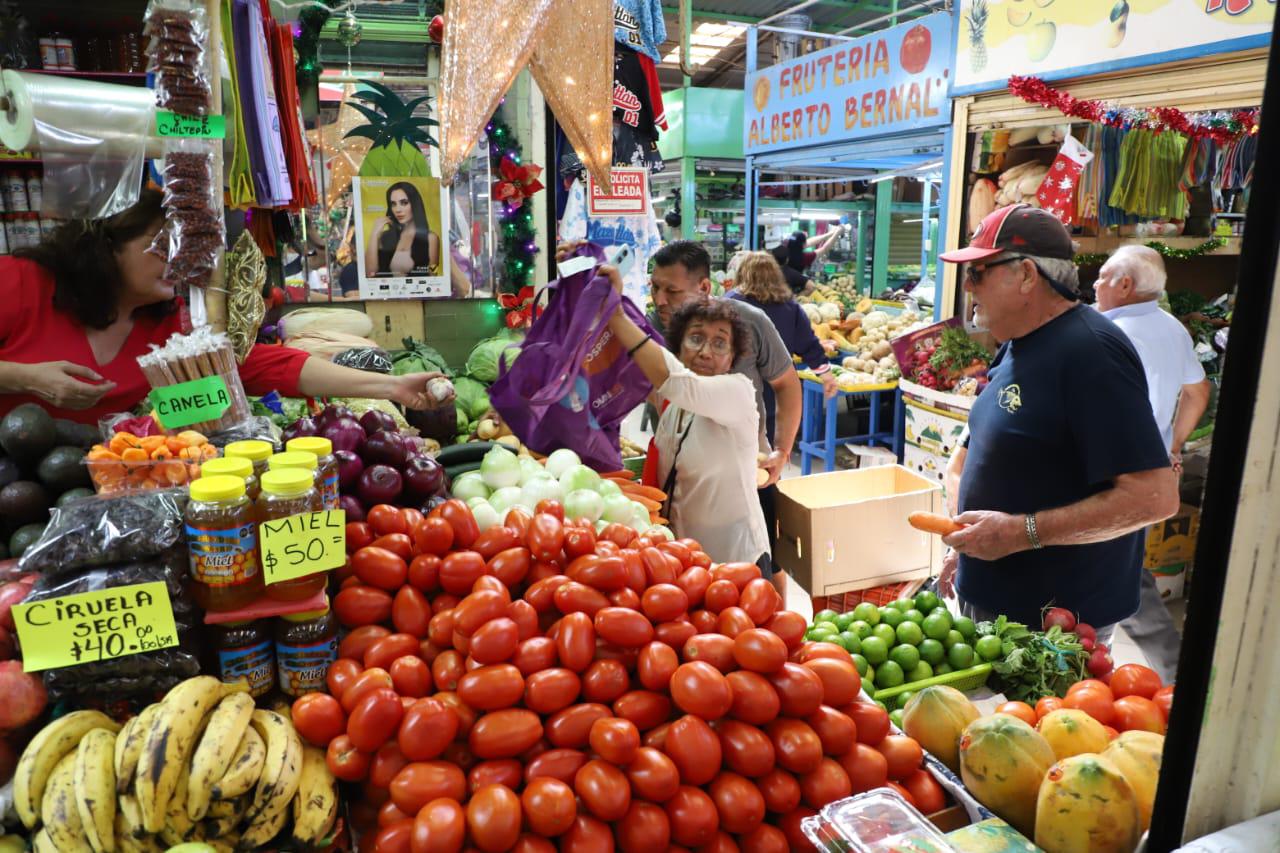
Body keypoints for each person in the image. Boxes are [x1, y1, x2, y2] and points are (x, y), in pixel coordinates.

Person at [935, 204, 1180, 643]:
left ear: (1027, 275)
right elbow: (982, 449)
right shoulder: (1017, 344)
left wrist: (1018, 533)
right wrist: (966, 544)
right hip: (993, 600)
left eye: (978, 273)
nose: (968, 286)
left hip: (1052, 627)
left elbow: (1154, 497)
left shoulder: (1092, 353)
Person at [0, 189, 451, 424]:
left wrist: (391, 386)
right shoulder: (21, 282)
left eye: (185, 247)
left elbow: (265, 366)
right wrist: (25, 378)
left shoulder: (173, 324)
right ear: (108, 245)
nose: (179, 260)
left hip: (99, 488)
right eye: (162, 244)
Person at [1095, 245, 1211, 680]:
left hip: (1108, 478)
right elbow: (1198, 391)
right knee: (1123, 571)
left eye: (1102, 276)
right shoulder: (1173, 329)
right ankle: (1171, 672)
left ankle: (1173, 674)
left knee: (1115, 576)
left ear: (1125, 285)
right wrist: (1173, 446)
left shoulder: (1103, 332)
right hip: (1151, 475)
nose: (1095, 284)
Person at [605, 271, 770, 568]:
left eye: (720, 344)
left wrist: (616, 314)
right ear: (678, 347)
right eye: (695, 339)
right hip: (688, 562)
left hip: (737, 561)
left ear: (732, 358)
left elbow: (677, 381)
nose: (706, 352)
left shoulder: (737, 393)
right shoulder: (674, 407)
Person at [728, 251, 838, 408]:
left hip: (738, 388)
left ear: (742, 274)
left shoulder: (730, 302)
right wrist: (826, 375)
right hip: (779, 389)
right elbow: (808, 345)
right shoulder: (790, 307)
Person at [366, 182, 439, 277]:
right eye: (393, 204)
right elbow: (370, 274)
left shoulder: (431, 238)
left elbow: (433, 276)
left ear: (415, 204)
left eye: (404, 203)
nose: (398, 210)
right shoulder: (384, 236)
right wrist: (374, 234)